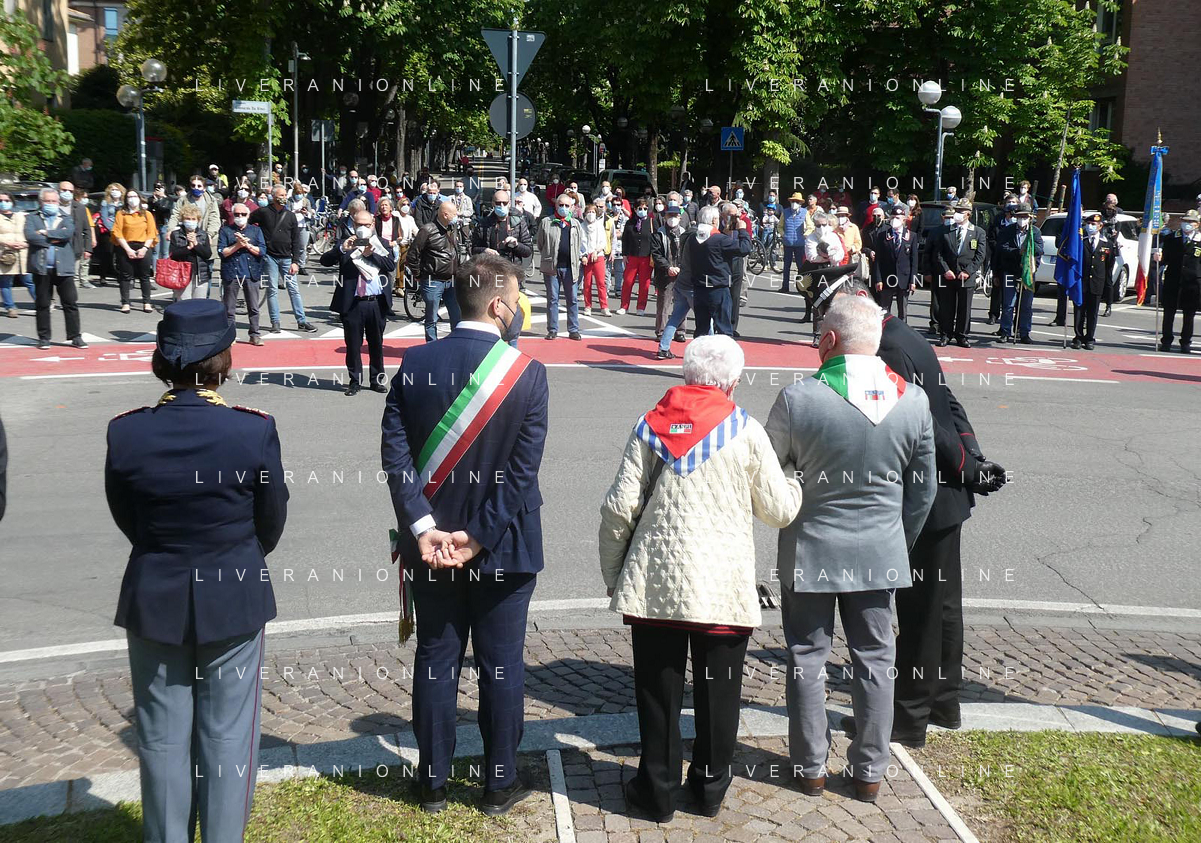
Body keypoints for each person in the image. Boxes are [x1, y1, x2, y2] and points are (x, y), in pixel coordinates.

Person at [105, 299, 288, 843]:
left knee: (162, 739)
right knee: (228, 736)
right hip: (233, 590)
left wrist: (165, 550)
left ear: (162, 359)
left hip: (155, 591)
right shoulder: (252, 430)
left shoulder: (127, 432)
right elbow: (270, 520)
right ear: (223, 360)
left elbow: (127, 516)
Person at [600, 335, 802, 822]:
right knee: (720, 693)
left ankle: (657, 792)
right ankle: (710, 789)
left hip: (656, 582)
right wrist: (794, 481)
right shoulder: (746, 430)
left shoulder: (649, 426)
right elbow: (778, 511)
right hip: (722, 585)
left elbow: (619, 509)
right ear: (733, 382)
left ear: (686, 374)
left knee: (657, 693)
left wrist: (615, 574)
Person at [380, 253, 545, 818]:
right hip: (505, 545)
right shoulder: (527, 373)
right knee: (502, 665)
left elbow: (395, 456)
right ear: (499, 305)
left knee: (436, 657)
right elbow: (521, 473)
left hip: (428, 547)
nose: (520, 310)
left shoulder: (415, 362)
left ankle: (432, 785)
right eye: (518, 300)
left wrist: (423, 526)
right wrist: (476, 537)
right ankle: (498, 785)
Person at [819, 275, 1006, 748]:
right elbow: (950, 404)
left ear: (858, 302)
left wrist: (968, 467)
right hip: (946, 492)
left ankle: (907, 717)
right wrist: (972, 459)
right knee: (943, 607)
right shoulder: (904, 334)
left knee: (920, 611)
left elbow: (925, 420)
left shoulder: (886, 349)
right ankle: (943, 702)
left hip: (927, 494)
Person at [767, 293, 937, 803]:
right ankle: (869, 773)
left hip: (811, 551)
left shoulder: (798, 399)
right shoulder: (914, 401)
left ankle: (810, 768)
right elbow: (923, 490)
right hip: (880, 550)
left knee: (807, 656)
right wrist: (897, 540)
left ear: (829, 340)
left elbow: (769, 476)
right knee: (876, 659)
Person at [322, 208, 395, 394]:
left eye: (366, 225)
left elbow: (390, 265)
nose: (363, 228)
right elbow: (325, 261)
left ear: (373, 225)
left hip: (376, 302)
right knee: (353, 345)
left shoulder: (381, 243)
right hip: (353, 303)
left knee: (376, 344)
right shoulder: (345, 243)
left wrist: (372, 254)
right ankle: (355, 381)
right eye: (359, 224)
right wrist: (341, 249)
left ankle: (376, 380)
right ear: (353, 225)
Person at [251, 184, 315, 333]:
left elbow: (296, 240)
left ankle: (301, 320)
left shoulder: (290, 216)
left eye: (285, 195)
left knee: (294, 289)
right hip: (269, 257)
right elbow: (249, 223)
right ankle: (275, 322)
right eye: (281, 195)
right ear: (273, 196)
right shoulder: (263, 212)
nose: (284, 198)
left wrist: (296, 262)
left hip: (287, 258)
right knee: (272, 290)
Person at [26, 188, 83, 350]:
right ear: (41, 202)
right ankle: (44, 338)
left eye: (53, 201)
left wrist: (45, 233)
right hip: (42, 268)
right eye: (47, 201)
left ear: (58, 202)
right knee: (43, 304)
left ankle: (75, 336)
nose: (51, 204)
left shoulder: (66, 217)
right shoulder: (32, 217)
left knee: (70, 302)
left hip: (63, 267)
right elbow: (30, 236)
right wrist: (54, 237)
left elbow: (67, 234)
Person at [684, 204, 751, 337]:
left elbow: (712, 244)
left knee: (701, 329)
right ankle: (724, 350)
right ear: (714, 220)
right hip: (717, 287)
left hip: (699, 286)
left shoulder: (693, 237)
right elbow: (745, 248)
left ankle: (700, 349)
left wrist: (724, 234)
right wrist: (742, 230)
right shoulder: (720, 240)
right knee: (724, 329)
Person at [933, 201, 986, 347]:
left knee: (964, 308)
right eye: (956, 210)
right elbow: (938, 254)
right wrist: (945, 270)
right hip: (948, 275)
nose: (957, 214)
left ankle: (962, 335)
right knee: (946, 307)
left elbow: (980, 255)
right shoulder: (946, 231)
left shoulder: (978, 232)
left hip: (966, 276)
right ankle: (945, 334)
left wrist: (968, 271)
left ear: (968, 214)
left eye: (961, 211)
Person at [407, 199, 461, 342]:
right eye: (454, 214)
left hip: (452, 280)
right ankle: (432, 345)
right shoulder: (427, 230)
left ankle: (456, 344)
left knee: (457, 316)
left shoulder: (452, 228)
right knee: (431, 317)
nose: (456, 216)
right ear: (445, 214)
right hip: (433, 280)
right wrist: (418, 275)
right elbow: (412, 255)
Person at [536, 192, 585, 340]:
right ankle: (552, 329)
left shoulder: (575, 224)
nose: (563, 208)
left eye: (566, 205)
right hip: (552, 267)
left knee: (573, 299)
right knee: (552, 299)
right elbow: (540, 244)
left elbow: (579, 244)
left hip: (571, 268)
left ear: (571, 207)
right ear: (556, 206)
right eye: (561, 205)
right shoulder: (546, 222)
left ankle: (573, 329)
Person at [994, 204, 1044, 344]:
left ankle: (1024, 332)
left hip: (1028, 273)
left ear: (1030, 218)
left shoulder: (1035, 232)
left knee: (1026, 305)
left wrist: (1029, 248)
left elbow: (1040, 250)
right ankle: (1005, 331)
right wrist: (1017, 252)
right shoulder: (1007, 231)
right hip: (1010, 271)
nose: (1022, 219)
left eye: (1025, 217)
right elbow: (1001, 248)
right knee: (1008, 304)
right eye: (1020, 216)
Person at [217, 204, 266, 345]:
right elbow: (222, 252)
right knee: (229, 308)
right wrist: (237, 245)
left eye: (243, 214)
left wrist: (247, 245)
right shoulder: (226, 230)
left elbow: (262, 251)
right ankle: (230, 335)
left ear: (248, 215)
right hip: (231, 273)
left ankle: (255, 334)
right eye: (237, 214)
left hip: (251, 273)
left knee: (253, 307)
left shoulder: (256, 230)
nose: (240, 217)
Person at [1068, 212, 1116, 350]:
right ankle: (1078, 337)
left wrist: (1108, 288)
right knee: (1079, 311)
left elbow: (1108, 266)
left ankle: (1090, 338)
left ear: (1100, 226)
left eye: (1093, 224)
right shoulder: (1080, 241)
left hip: (1097, 283)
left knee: (1092, 312)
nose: (1090, 226)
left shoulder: (1107, 244)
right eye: (1088, 224)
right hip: (1081, 282)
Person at [1156, 209, 1201, 353]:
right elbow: (1166, 259)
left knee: (1189, 314)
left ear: (1197, 224)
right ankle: (1166, 341)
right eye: (1185, 221)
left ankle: (1185, 342)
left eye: (1191, 222)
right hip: (1173, 279)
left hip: (1192, 282)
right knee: (1169, 312)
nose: (1187, 224)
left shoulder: (1199, 240)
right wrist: (1159, 258)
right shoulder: (1171, 238)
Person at [803, 210, 846, 346]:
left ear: (828, 224)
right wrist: (826, 255)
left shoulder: (833, 236)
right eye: (818, 225)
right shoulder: (811, 238)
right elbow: (811, 257)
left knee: (835, 304)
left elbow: (839, 254)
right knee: (818, 303)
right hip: (817, 272)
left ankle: (835, 335)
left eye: (823, 224)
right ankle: (817, 335)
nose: (821, 227)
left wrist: (829, 256)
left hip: (833, 271)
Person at [112, 188, 158, 313]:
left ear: (139, 198)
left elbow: (151, 233)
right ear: (126, 199)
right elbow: (117, 232)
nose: (132, 199)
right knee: (125, 276)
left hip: (143, 245)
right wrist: (127, 249)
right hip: (126, 246)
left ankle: (147, 303)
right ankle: (125, 303)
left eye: (135, 196)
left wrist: (145, 248)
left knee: (144, 276)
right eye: (129, 197)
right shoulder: (121, 214)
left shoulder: (147, 214)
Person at [650, 203, 688, 345]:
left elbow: (688, 254)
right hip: (665, 274)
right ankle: (661, 332)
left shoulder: (685, 234)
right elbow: (656, 254)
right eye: (669, 215)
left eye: (675, 215)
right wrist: (668, 268)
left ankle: (680, 331)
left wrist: (681, 268)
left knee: (682, 303)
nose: (672, 218)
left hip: (681, 273)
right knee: (664, 304)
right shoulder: (658, 234)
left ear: (680, 217)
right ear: (665, 217)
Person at [872, 205, 919, 318]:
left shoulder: (911, 236)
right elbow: (878, 260)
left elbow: (914, 261)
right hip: (887, 278)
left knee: (903, 311)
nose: (895, 220)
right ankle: (885, 329)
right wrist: (878, 280)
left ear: (904, 219)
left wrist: (913, 281)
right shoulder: (882, 236)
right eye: (892, 217)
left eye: (897, 218)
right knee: (884, 311)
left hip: (904, 279)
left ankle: (902, 329)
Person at [471, 189, 533, 274]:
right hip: (490, 270)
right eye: (498, 203)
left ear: (509, 203)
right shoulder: (483, 224)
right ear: (493, 203)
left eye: (504, 203)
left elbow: (528, 251)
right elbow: (473, 250)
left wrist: (516, 245)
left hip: (512, 271)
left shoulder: (519, 222)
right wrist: (485, 250)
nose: (501, 205)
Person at [168, 204, 214, 302]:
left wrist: (196, 244)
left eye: (193, 219)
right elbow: (173, 254)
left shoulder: (203, 234)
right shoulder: (176, 234)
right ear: (183, 220)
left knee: (199, 304)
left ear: (198, 220)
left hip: (200, 274)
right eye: (188, 219)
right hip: (182, 274)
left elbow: (207, 254)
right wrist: (188, 247)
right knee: (184, 303)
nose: (190, 221)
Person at [0, 191, 34, 317]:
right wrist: (7, 243)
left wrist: (26, 243)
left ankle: (41, 303)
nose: (3, 203)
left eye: (6, 200)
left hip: (23, 252)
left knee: (29, 280)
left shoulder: (21, 216)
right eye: (0, 201)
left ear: (12, 202)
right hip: (5, 253)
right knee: (5, 281)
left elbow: (30, 232)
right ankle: (10, 307)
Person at [618, 197, 654, 315]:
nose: (643, 211)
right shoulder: (630, 222)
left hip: (646, 257)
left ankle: (641, 307)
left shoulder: (651, 222)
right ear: (635, 209)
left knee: (644, 284)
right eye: (640, 208)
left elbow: (655, 239)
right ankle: (624, 306)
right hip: (632, 256)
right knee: (628, 282)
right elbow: (625, 239)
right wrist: (624, 254)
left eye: (645, 208)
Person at [986, 196, 1018, 325]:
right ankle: (993, 314)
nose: (1011, 206)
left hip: (1015, 262)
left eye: (1014, 202)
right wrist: (1000, 248)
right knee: (997, 288)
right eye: (1009, 202)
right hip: (999, 259)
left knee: (1012, 292)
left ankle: (1013, 319)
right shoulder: (998, 220)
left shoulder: (1020, 223)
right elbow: (991, 238)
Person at [581, 197, 614, 317]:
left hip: (598, 256)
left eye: (593, 212)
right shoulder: (581, 226)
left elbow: (603, 242)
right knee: (587, 283)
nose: (591, 214)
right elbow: (579, 244)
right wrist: (583, 255)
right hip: (586, 257)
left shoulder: (599, 225)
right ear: (585, 214)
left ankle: (604, 307)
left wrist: (596, 251)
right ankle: (587, 306)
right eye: (589, 212)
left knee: (601, 282)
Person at [93, 183, 124, 286]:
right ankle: (103, 276)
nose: (114, 192)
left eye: (117, 190)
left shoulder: (123, 203)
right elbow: (104, 217)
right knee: (107, 254)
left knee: (120, 255)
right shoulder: (105, 202)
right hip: (108, 232)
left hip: (122, 232)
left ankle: (120, 276)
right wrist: (112, 229)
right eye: (112, 190)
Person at [780, 192, 807, 294]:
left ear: (800, 203)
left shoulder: (805, 212)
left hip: (800, 243)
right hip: (788, 243)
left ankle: (801, 288)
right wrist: (783, 235)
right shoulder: (785, 212)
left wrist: (806, 234)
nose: (794, 203)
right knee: (786, 266)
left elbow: (811, 226)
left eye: (797, 202)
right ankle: (785, 287)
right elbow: (779, 226)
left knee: (800, 266)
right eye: (793, 201)